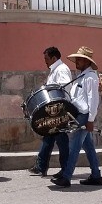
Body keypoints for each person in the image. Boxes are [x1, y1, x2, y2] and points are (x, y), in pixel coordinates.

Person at [53, 47, 102, 187]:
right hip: (79, 114)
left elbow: (93, 100)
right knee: (88, 146)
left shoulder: (91, 77)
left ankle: (66, 176)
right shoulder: (81, 76)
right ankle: (96, 175)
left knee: (74, 146)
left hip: (84, 115)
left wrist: (90, 120)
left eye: (80, 59)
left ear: (87, 61)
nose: (77, 61)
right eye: (77, 59)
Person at [29, 46, 72, 177]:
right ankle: (41, 166)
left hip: (59, 110)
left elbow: (66, 86)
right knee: (48, 136)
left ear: (54, 58)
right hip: (54, 110)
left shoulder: (62, 69)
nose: (45, 61)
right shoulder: (55, 70)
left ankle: (65, 169)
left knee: (61, 139)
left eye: (46, 58)